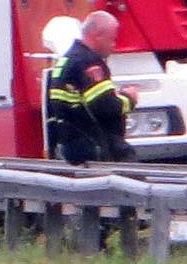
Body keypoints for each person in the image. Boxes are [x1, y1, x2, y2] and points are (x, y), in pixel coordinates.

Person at [46, 9, 134, 164]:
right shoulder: (89, 62)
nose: (113, 46)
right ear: (97, 35)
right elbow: (105, 107)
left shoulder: (68, 58)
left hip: (73, 145)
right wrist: (129, 98)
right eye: (111, 39)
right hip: (94, 147)